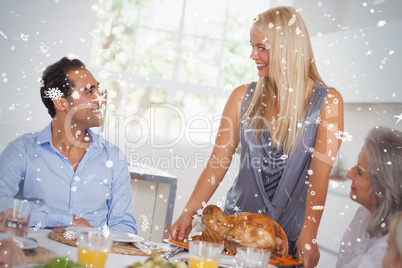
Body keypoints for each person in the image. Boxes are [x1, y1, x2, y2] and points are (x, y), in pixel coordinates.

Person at [170, 6, 343, 268]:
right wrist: (188, 213)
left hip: (285, 242)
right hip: (234, 236)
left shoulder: (328, 102)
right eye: (252, 46)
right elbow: (218, 162)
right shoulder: (242, 97)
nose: (253, 55)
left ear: (288, 50)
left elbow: (319, 175)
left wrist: (310, 234)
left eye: (261, 47)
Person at [0, 57, 137, 234]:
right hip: (35, 258)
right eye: (89, 92)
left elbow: (125, 227)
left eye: (98, 89)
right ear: (60, 103)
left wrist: (100, 244)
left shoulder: (113, 157)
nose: (101, 99)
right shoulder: (22, 151)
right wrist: (69, 220)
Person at [336, 127, 402, 268]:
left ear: (383, 189)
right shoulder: (364, 214)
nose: (349, 174)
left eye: (360, 172)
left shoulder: (387, 252)